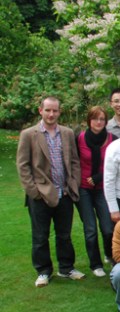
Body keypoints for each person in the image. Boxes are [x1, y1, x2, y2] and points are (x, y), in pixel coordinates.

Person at [17, 96, 85, 287]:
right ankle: (43, 271)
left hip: (64, 192)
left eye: (55, 110)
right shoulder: (29, 134)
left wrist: (73, 183)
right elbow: (23, 166)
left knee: (64, 234)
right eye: (48, 110)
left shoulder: (67, 133)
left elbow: (74, 161)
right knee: (40, 236)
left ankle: (66, 268)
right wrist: (33, 191)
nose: (51, 114)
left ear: (59, 112)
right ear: (41, 111)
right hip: (40, 194)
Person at [75, 106, 116, 275]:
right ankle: (95, 264)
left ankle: (110, 255)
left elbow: (115, 164)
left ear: (106, 122)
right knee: (90, 228)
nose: (98, 122)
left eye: (101, 119)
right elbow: (73, 160)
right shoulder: (80, 138)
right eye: (95, 119)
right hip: (83, 188)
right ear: (89, 121)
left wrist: (99, 176)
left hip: (103, 188)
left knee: (107, 228)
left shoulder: (112, 139)